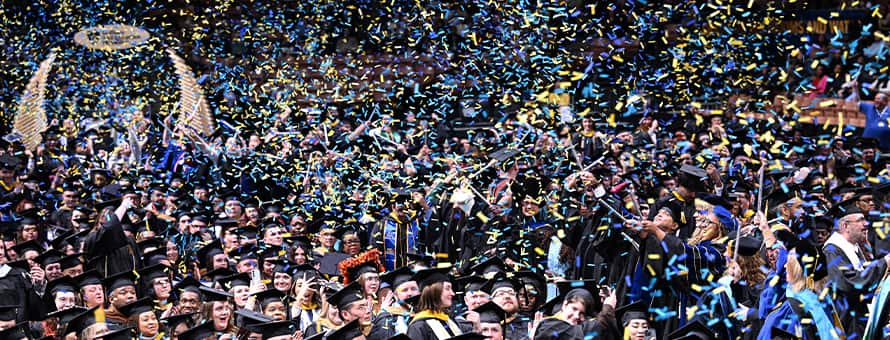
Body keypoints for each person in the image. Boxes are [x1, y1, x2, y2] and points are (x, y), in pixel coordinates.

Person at [822, 205, 890, 337]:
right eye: (860, 220)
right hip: (847, 319)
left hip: (859, 314)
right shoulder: (832, 250)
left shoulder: (854, 247)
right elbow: (849, 282)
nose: (865, 224)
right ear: (845, 226)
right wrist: (884, 263)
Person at [406, 267, 462, 339]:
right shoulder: (418, 327)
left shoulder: (449, 320)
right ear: (434, 292)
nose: (452, 293)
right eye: (447, 288)